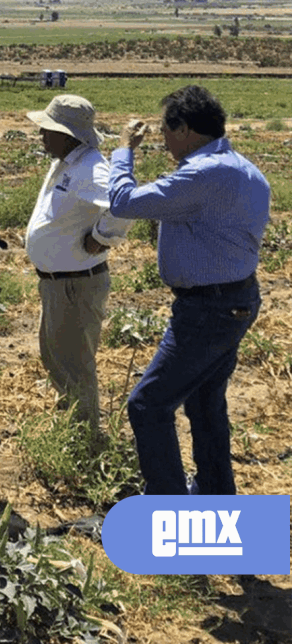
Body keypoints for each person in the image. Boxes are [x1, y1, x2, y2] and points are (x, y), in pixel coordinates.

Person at [109, 85, 269, 496]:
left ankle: (168, 508)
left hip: (208, 309)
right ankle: (216, 494)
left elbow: (124, 201)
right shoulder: (241, 167)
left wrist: (124, 150)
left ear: (185, 129)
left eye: (165, 129)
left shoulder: (202, 174)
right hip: (233, 299)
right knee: (204, 403)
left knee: (148, 404)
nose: (162, 139)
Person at [24, 95, 131, 428]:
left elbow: (123, 204)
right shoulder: (69, 162)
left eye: (47, 129)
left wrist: (102, 237)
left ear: (67, 134)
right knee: (59, 356)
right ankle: (72, 419)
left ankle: (83, 435)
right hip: (61, 282)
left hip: (74, 284)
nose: (41, 135)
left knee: (73, 361)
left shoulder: (91, 168)